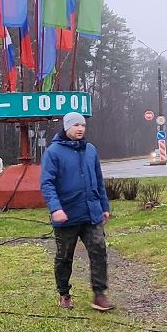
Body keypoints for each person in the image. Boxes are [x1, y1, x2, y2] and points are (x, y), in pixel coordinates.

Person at [40, 111, 114, 312]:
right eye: (75, 125)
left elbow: (98, 180)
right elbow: (47, 183)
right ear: (66, 127)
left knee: (99, 250)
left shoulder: (90, 150)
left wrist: (104, 206)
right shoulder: (53, 152)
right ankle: (64, 293)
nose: (80, 128)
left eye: (82, 125)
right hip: (66, 215)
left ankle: (100, 295)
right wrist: (56, 208)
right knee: (65, 257)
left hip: (91, 213)